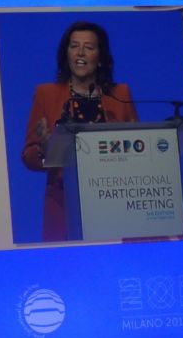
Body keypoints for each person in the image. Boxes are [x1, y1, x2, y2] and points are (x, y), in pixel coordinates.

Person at [22, 21, 138, 242]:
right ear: (66, 53)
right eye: (74, 46)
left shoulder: (120, 93)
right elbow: (28, 154)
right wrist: (47, 151)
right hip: (65, 204)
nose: (80, 52)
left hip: (114, 203)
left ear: (100, 56)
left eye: (89, 47)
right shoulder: (46, 94)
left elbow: (138, 147)